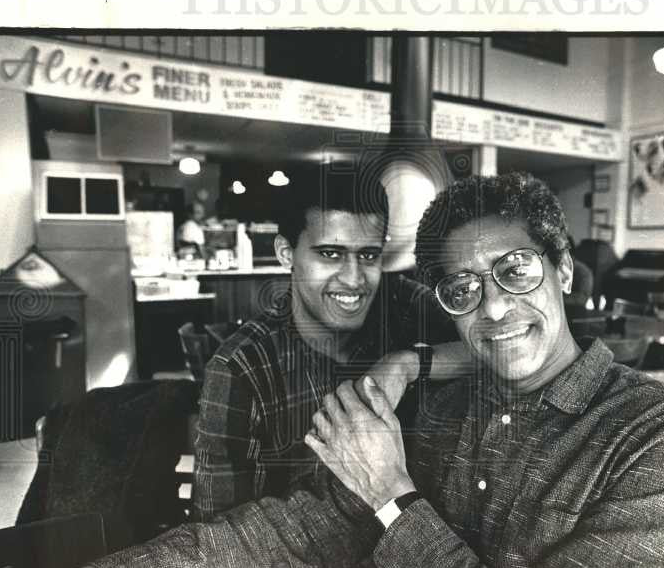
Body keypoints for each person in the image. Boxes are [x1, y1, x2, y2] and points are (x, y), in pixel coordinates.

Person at [53, 173, 664, 568]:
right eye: (461, 286)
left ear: (561, 270)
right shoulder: (440, 414)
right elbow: (290, 532)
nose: (492, 305)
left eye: (516, 269)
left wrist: (391, 491)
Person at [190, 168, 462, 520]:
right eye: (330, 254)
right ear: (286, 253)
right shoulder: (242, 368)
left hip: (416, 547)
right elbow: (217, 537)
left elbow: (495, 346)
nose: (353, 279)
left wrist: (407, 363)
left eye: (368, 255)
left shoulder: (403, 306)